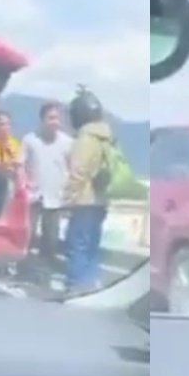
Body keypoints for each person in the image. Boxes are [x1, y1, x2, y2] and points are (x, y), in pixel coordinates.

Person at [62, 86, 117, 292]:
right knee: (93, 244)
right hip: (102, 199)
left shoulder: (86, 139)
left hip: (84, 200)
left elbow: (78, 172)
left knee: (77, 244)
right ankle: (93, 282)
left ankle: (77, 285)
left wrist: (68, 199)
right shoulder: (107, 138)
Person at [21, 102, 74, 280]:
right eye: (51, 118)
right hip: (34, 196)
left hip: (56, 197)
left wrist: (70, 194)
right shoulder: (30, 140)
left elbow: (73, 168)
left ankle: (45, 271)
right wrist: (24, 185)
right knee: (27, 235)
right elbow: (21, 165)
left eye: (57, 118)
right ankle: (24, 270)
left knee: (50, 238)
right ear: (42, 119)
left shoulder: (67, 142)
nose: (55, 122)